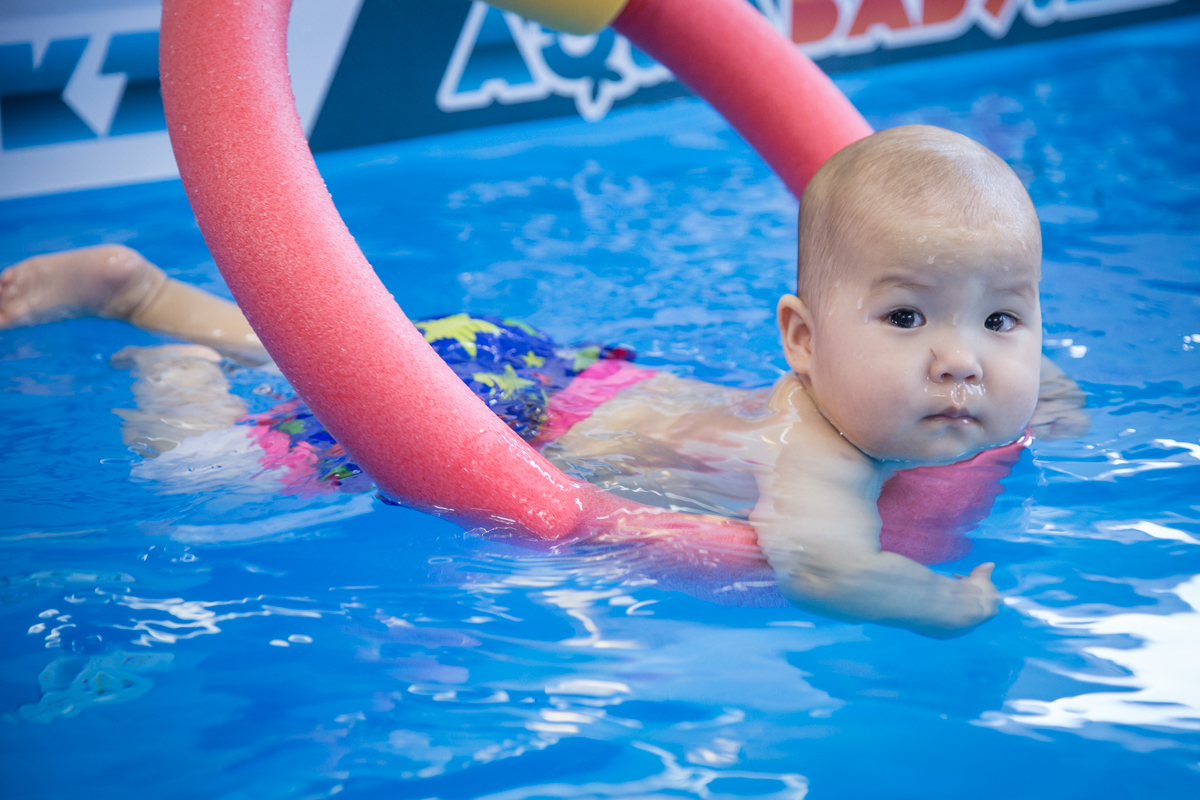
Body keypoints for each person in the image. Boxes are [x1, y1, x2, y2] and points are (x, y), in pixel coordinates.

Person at [0, 125, 1088, 637]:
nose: (963, 357)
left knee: (315, 340)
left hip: (534, 363)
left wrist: (1040, 398)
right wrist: (934, 598)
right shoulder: (822, 452)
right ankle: (168, 355)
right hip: (494, 408)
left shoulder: (947, 388)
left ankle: (153, 295)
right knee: (213, 471)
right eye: (907, 317)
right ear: (800, 339)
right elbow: (822, 568)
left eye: (1003, 320)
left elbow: (1021, 384)